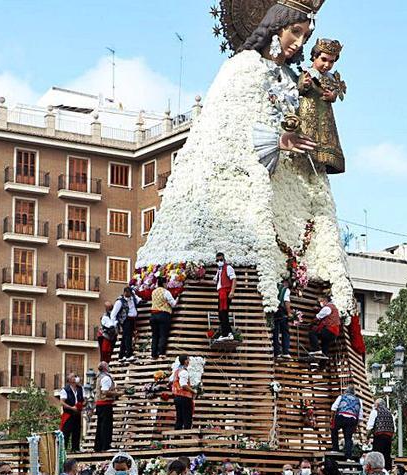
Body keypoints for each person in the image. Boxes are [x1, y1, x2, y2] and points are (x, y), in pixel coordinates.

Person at [134, 1, 355, 320]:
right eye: (295, 32)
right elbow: (230, 128)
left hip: (291, 194)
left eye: (305, 36)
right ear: (274, 26)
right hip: (242, 192)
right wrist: (278, 141)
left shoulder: (294, 78)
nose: (299, 43)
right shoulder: (243, 68)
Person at [296, 37, 346, 174]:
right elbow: (298, 89)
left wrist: (333, 96)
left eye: (331, 61)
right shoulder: (307, 72)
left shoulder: (331, 77)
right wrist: (304, 85)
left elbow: (337, 91)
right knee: (308, 136)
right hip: (309, 111)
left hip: (325, 114)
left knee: (325, 137)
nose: (327, 65)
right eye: (324, 59)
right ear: (314, 57)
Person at [149, 276, 177, 360]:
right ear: (164, 283)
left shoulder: (153, 292)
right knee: (163, 334)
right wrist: (177, 299)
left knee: (155, 335)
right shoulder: (166, 292)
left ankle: (153, 354)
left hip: (153, 315)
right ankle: (161, 353)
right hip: (163, 315)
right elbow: (173, 304)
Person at [330, 385, 362, 458]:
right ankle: (348, 455)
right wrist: (356, 425)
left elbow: (333, 408)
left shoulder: (341, 397)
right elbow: (360, 416)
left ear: (346, 391)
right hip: (352, 419)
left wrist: (332, 418)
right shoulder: (358, 400)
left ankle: (335, 449)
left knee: (334, 429)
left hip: (341, 417)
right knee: (348, 437)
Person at [93, 362, 117, 453]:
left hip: (100, 404)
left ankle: (98, 446)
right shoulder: (106, 377)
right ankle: (105, 445)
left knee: (100, 425)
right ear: (105, 368)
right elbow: (105, 391)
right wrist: (117, 393)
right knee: (106, 426)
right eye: (107, 365)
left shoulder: (99, 377)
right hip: (105, 404)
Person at [60, 372, 86, 453]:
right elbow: (62, 402)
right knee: (66, 432)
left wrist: (81, 405)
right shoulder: (65, 390)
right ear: (69, 380)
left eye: (75, 376)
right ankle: (63, 449)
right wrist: (72, 408)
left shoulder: (80, 388)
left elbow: (84, 399)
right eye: (73, 377)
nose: (75, 378)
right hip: (68, 414)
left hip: (77, 413)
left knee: (77, 431)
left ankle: (75, 448)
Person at [366, 399, 396, 469]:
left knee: (377, 456)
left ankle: (376, 471)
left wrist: (367, 437)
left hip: (379, 436)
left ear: (377, 405)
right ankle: (387, 472)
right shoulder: (390, 413)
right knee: (386, 456)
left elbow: (370, 426)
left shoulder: (375, 411)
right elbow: (394, 428)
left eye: (374, 404)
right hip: (388, 437)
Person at [213, 251, 237, 341]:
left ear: (224, 259)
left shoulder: (228, 268)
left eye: (221, 259)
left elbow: (234, 279)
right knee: (221, 314)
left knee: (223, 313)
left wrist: (232, 291)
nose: (219, 261)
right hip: (221, 293)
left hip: (226, 292)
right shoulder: (219, 270)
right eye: (217, 260)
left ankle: (227, 333)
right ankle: (227, 333)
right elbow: (216, 281)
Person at [112, 286, 139, 361]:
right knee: (128, 337)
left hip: (132, 320)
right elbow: (113, 313)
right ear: (124, 293)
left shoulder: (133, 298)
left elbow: (138, 300)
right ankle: (129, 355)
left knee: (125, 338)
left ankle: (121, 355)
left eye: (129, 293)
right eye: (127, 293)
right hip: (125, 320)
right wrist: (114, 324)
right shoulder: (120, 301)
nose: (128, 294)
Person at [171, 355, 195, 431]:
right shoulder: (184, 371)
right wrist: (193, 391)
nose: (189, 361)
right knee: (187, 419)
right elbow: (183, 385)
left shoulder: (177, 371)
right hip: (184, 397)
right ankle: (187, 439)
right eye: (188, 359)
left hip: (177, 397)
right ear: (185, 361)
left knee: (179, 418)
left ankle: (176, 439)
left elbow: (172, 381)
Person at [271, 277, 293, 359]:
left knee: (276, 332)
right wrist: (289, 313)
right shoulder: (286, 290)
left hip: (275, 311)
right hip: (282, 311)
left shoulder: (275, 287)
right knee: (285, 332)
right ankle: (285, 351)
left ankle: (277, 352)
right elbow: (286, 301)